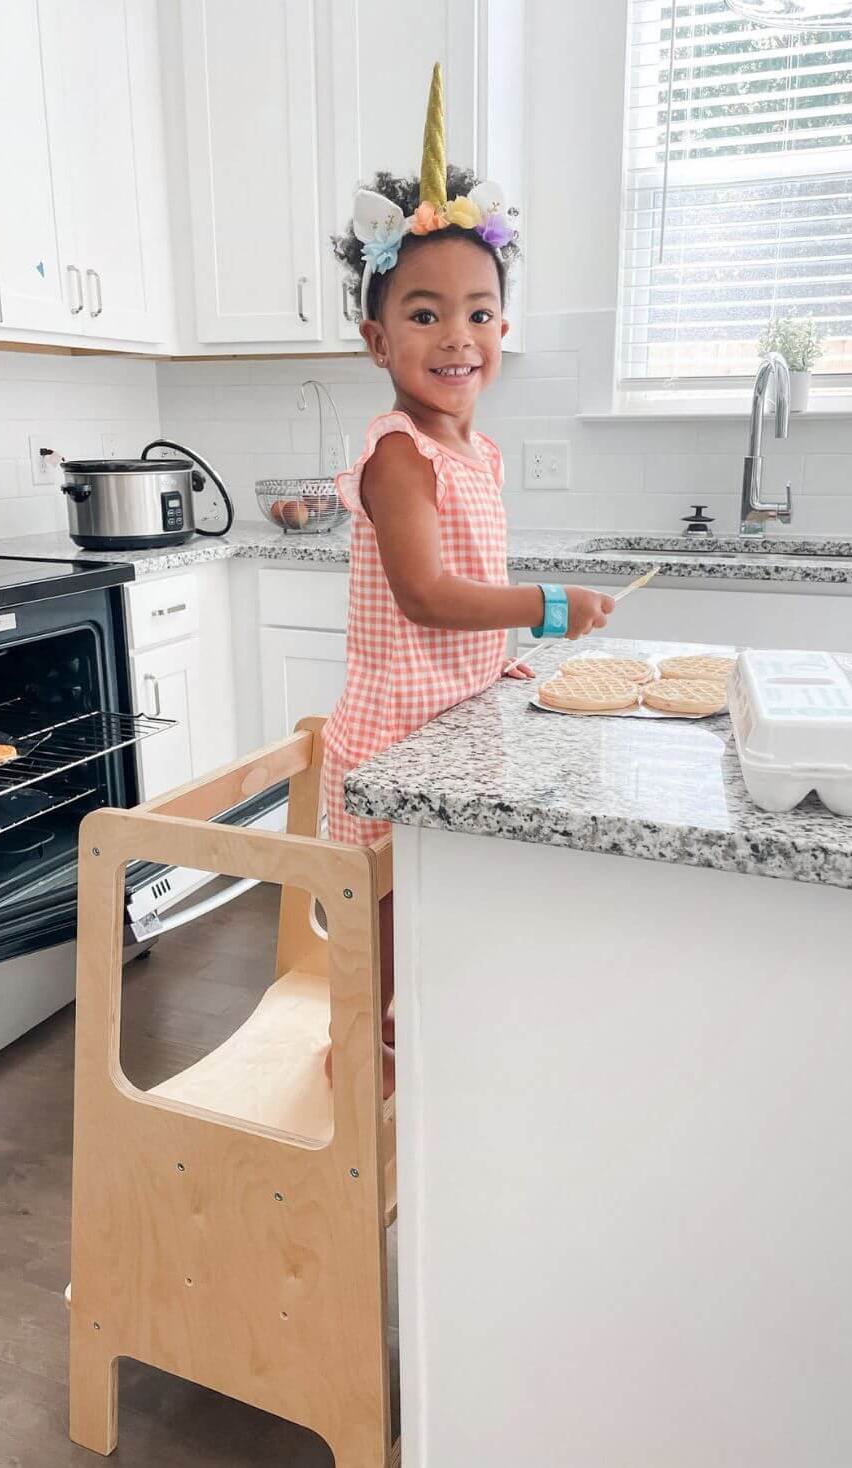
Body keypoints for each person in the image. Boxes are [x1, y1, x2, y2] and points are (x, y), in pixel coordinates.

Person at [324, 64, 615, 1089]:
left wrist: (501, 661)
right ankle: (357, 1059)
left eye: (481, 313)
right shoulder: (398, 452)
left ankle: (423, 1049)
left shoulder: (473, 453)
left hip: (450, 714)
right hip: (398, 726)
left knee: (443, 899)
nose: (458, 335)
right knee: (387, 918)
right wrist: (546, 609)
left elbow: (464, 599)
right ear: (376, 337)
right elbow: (425, 597)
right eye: (424, 314)